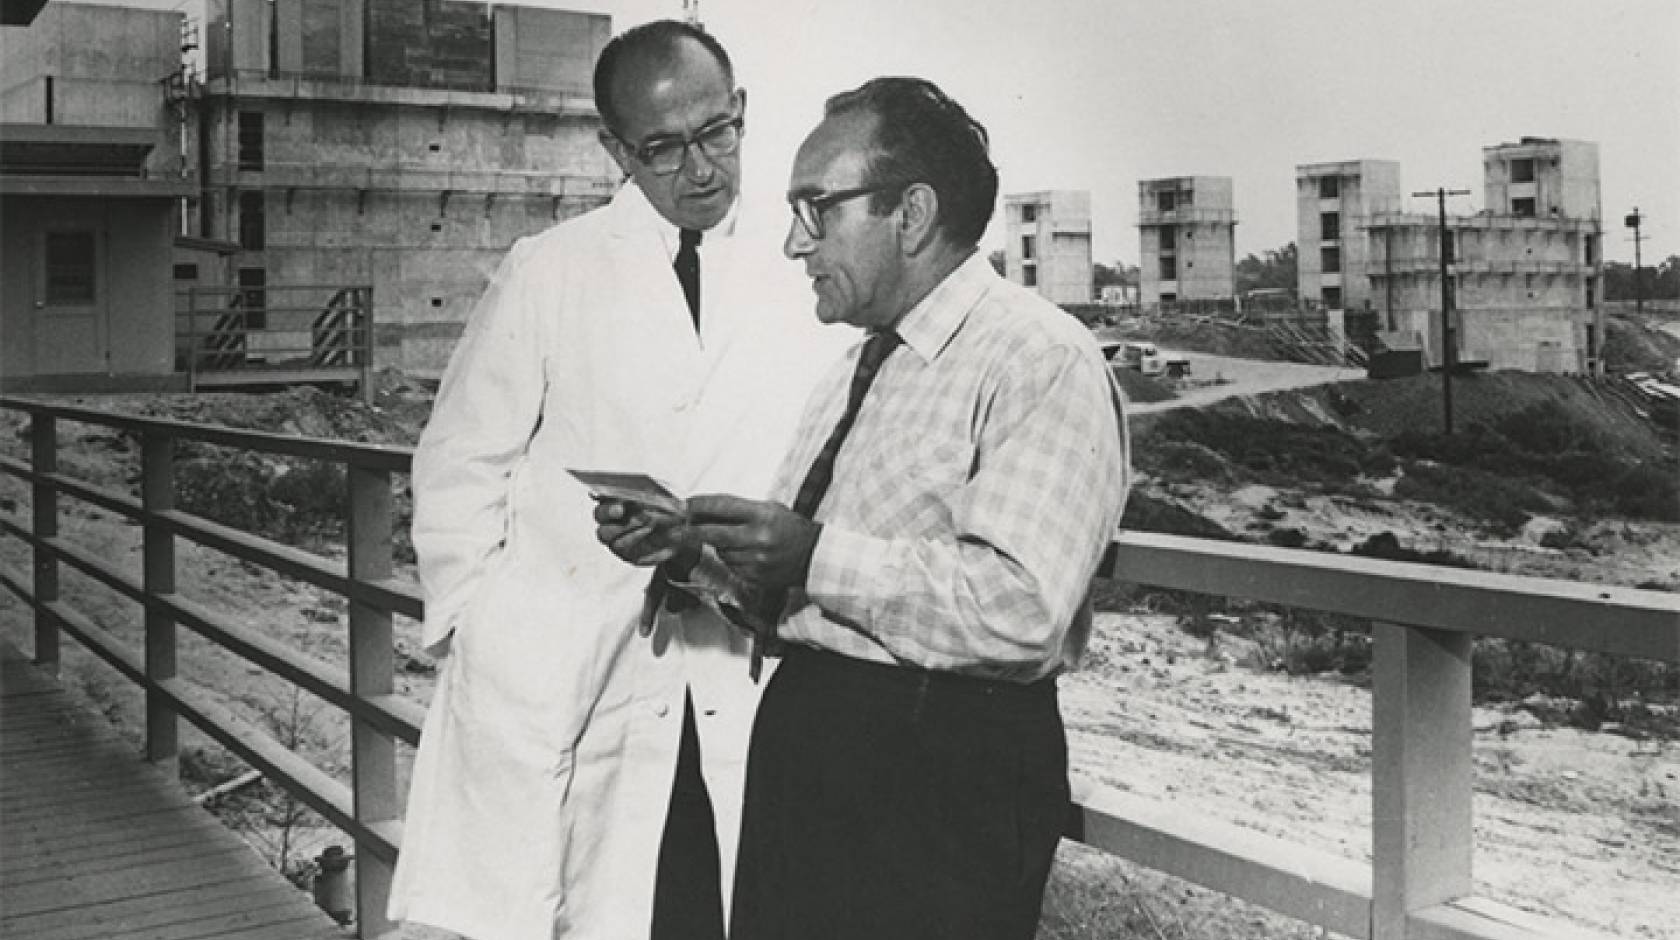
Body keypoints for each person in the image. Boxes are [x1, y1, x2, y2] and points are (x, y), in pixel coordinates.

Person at [387, 20, 848, 940]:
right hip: (565, 660)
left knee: (708, 899)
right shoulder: (551, 270)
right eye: (664, 149)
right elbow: (459, 461)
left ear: (743, 112)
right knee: (574, 898)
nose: (702, 168)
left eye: (718, 132)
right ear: (615, 150)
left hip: (736, 651)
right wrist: (484, 622)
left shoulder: (804, 273)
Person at [683, 76, 1131, 940]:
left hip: (942, 776)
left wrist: (811, 555)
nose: (792, 242)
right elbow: (808, 599)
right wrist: (691, 558)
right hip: (811, 748)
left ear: (911, 214)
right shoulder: (857, 368)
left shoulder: (1038, 359)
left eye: (817, 208)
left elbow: (1022, 609)